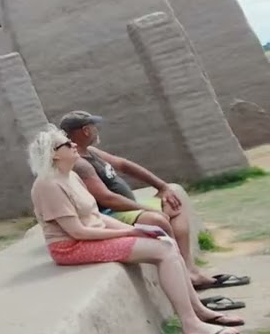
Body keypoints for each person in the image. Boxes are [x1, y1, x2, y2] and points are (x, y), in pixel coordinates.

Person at [26, 125, 242, 334]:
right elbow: (77, 232)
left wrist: (140, 230)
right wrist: (132, 230)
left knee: (164, 240)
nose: (73, 145)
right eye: (66, 144)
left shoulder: (71, 176)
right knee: (165, 249)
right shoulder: (48, 185)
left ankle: (198, 311)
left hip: (89, 236)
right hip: (71, 247)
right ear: (53, 154)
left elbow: (96, 218)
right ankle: (191, 325)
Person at [57, 110, 251, 304]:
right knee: (157, 220)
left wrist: (162, 187)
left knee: (173, 201)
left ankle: (190, 271)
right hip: (110, 214)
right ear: (85, 130)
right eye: (93, 126)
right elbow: (107, 199)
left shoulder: (92, 152)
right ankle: (184, 285)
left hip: (129, 208)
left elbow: (124, 165)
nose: (96, 130)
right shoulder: (79, 164)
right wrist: (149, 210)